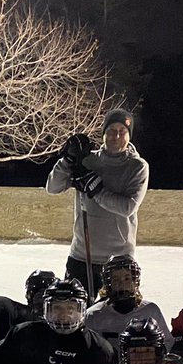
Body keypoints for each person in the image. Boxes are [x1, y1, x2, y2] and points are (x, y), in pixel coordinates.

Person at [45, 109, 149, 296]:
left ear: (129, 135)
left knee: (115, 315)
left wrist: (96, 190)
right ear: (103, 134)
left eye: (122, 131)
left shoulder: (137, 166)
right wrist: (67, 160)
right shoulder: (88, 160)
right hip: (81, 255)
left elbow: (127, 207)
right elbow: (53, 187)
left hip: (118, 259)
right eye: (111, 130)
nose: (116, 136)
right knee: (74, 313)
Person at [85, 254, 172, 344]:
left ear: (135, 281)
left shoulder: (150, 311)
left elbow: (166, 342)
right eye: (115, 279)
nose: (121, 284)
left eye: (127, 278)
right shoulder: (93, 315)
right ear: (108, 283)